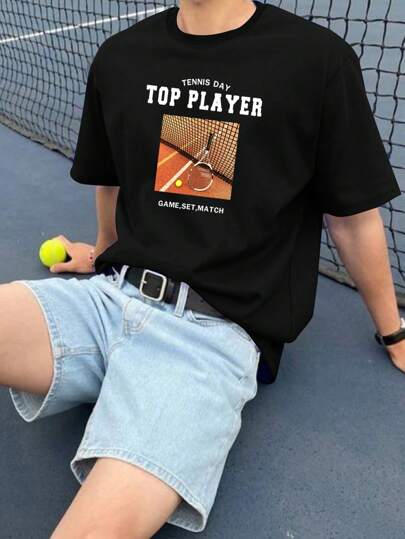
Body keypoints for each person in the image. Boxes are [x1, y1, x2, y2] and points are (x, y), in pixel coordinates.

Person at [0, 0, 403, 537]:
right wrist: (100, 253)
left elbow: (351, 219)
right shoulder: (122, 56)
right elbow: (114, 182)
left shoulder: (317, 60)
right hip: (109, 300)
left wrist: (394, 332)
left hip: (210, 341)